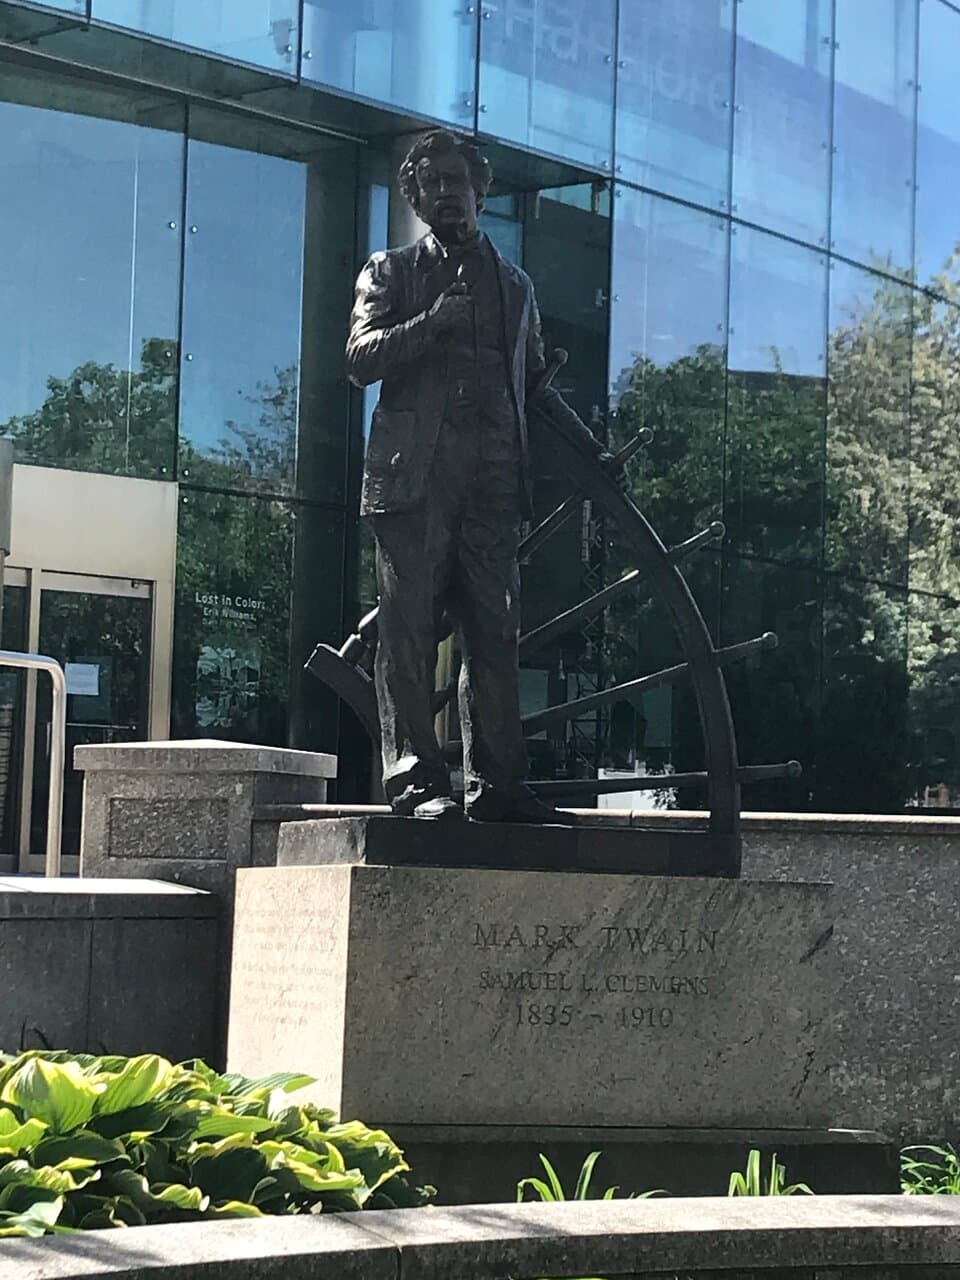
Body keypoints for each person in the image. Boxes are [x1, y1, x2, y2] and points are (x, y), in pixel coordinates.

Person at [346, 129, 617, 822]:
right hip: (415, 481)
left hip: (493, 480)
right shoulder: (391, 272)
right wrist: (432, 324)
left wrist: (591, 452)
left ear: (480, 189)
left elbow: (533, 390)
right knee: (408, 633)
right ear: (415, 197)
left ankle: (497, 786)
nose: (443, 192)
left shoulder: (516, 286)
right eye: (429, 184)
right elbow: (360, 357)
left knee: (494, 632)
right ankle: (415, 782)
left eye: (454, 181)